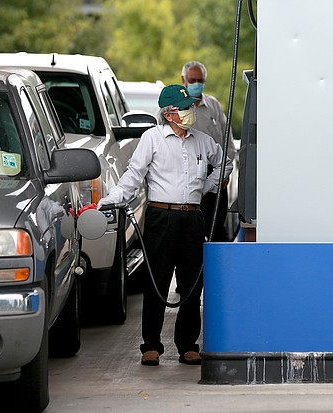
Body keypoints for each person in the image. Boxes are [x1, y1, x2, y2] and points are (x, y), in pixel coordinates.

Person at [97, 84, 233, 366]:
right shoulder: (152, 139)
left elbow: (225, 163)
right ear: (170, 114)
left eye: (191, 106)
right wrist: (112, 199)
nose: (191, 112)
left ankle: (188, 345)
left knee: (191, 284)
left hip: (192, 217)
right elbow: (134, 176)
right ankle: (151, 345)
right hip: (161, 216)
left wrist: (208, 186)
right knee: (157, 281)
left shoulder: (203, 141)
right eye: (185, 108)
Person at [182, 61, 236, 241]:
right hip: (187, 176)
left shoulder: (213, 106)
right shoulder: (174, 107)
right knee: (190, 231)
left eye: (200, 80)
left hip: (215, 176)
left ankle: (217, 268)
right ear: (184, 80)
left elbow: (227, 141)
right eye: (193, 80)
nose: (197, 84)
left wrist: (224, 173)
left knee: (216, 229)